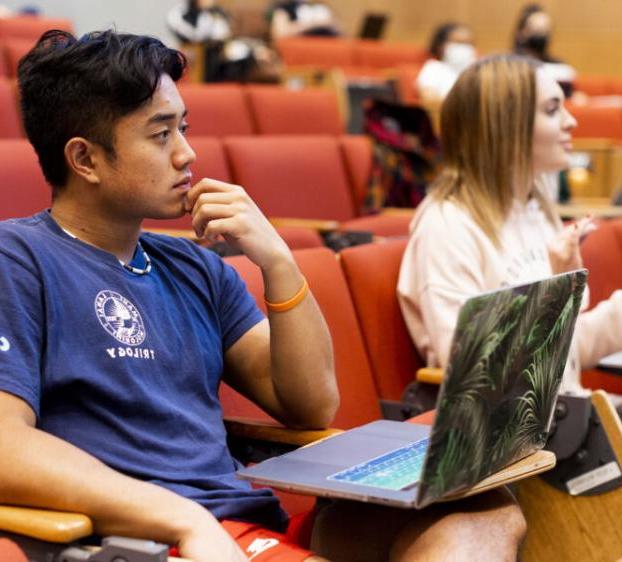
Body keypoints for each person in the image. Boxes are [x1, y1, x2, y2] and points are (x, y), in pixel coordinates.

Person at [0, 30, 526, 562]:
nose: (187, 153)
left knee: (484, 513)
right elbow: (5, 446)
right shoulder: (19, 260)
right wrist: (180, 517)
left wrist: (276, 259)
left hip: (243, 522)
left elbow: (310, 403)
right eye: (161, 135)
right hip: (147, 538)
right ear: (85, 160)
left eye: (183, 128)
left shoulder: (195, 267)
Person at [398, 54, 622, 398]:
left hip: (563, 420)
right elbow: (473, 368)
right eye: (552, 110)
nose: (571, 121)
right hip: (510, 442)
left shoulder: (535, 207)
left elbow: (565, 354)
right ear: (504, 126)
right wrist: (555, 299)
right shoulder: (446, 224)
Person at [512, 4, 575, 95]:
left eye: (545, 30)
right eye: (535, 29)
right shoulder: (509, 66)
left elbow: (567, 95)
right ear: (520, 33)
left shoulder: (560, 68)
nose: (541, 35)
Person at [416, 22, 477, 103]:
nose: (464, 48)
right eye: (458, 42)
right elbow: (430, 101)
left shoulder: (479, 69)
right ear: (440, 46)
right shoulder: (433, 68)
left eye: (468, 43)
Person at [268, 0, 340, 41]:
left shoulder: (321, 6)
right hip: (298, 54)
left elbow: (340, 33)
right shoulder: (285, 8)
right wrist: (314, 24)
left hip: (327, 50)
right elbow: (281, 35)